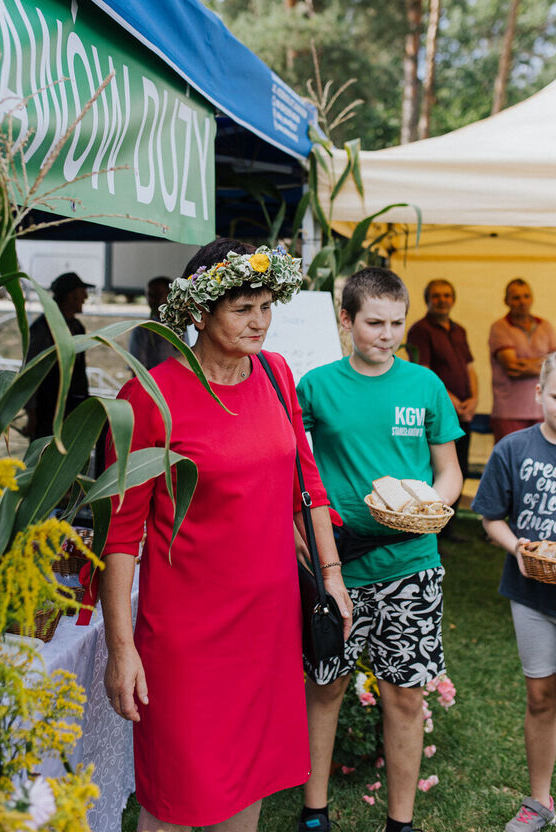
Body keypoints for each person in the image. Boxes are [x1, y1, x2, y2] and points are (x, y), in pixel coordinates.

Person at [98, 238, 352, 832]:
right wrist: (121, 649)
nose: (259, 321)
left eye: (266, 305)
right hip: (186, 641)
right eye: (242, 308)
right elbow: (119, 537)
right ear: (199, 313)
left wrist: (333, 578)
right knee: (176, 800)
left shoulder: (276, 372)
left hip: (267, 629)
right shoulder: (148, 397)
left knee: (250, 787)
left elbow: (306, 488)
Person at [296, 267, 463, 832]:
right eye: (373, 323)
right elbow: (295, 467)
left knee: (405, 696)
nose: (386, 334)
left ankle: (401, 821)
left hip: (411, 566)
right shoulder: (316, 386)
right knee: (325, 686)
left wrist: (429, 507)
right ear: (346, 321)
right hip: (338, 563)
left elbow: (448, 472)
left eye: (396, 323)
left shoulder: (426, 387)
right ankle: (313, 810)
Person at [471, 351, 556, 832]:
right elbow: (490, 516)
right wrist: (518, 549)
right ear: (539, 394)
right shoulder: (513, 449)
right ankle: (540, 802)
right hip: (533, 598)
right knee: (541, 696)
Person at [407, 279, 478, 523]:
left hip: (463, 413)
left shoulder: (459, 330)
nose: (442, 300)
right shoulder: (420, 330)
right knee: (440, 470)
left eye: (447, 295)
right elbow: (424, 372)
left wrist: (474, 399)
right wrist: (454, 402)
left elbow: (470, 368)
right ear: (427, 299)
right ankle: (434, 527)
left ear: (453, 299)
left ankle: (449, 526)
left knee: (461, 469)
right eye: (436, 295)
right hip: (439, 413)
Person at [23, 271, 92, 440]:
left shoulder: (77, 327)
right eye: (82, 292)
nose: (86, 297)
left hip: (74, 408)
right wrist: (31, 413)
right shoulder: (43, 329)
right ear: (71, 296)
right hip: (48, 411)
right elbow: (30, 372)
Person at [489, 279, 556, 444]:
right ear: (506, 301)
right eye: (516, 297)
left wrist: (525, 363)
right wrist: (545, 362)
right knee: (510, 464)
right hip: (508, 412)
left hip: (541, 411)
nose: (522, 302)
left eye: (526, 296)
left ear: (532, 298)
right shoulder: (499, 327)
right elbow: (512, 367)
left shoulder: (546, 326)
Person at [128, 275, 176, 369]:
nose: (155, 300)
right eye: (151, 295)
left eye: (159, 294)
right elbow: (137, 370)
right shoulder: (143, 330)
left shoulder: (187, 325)